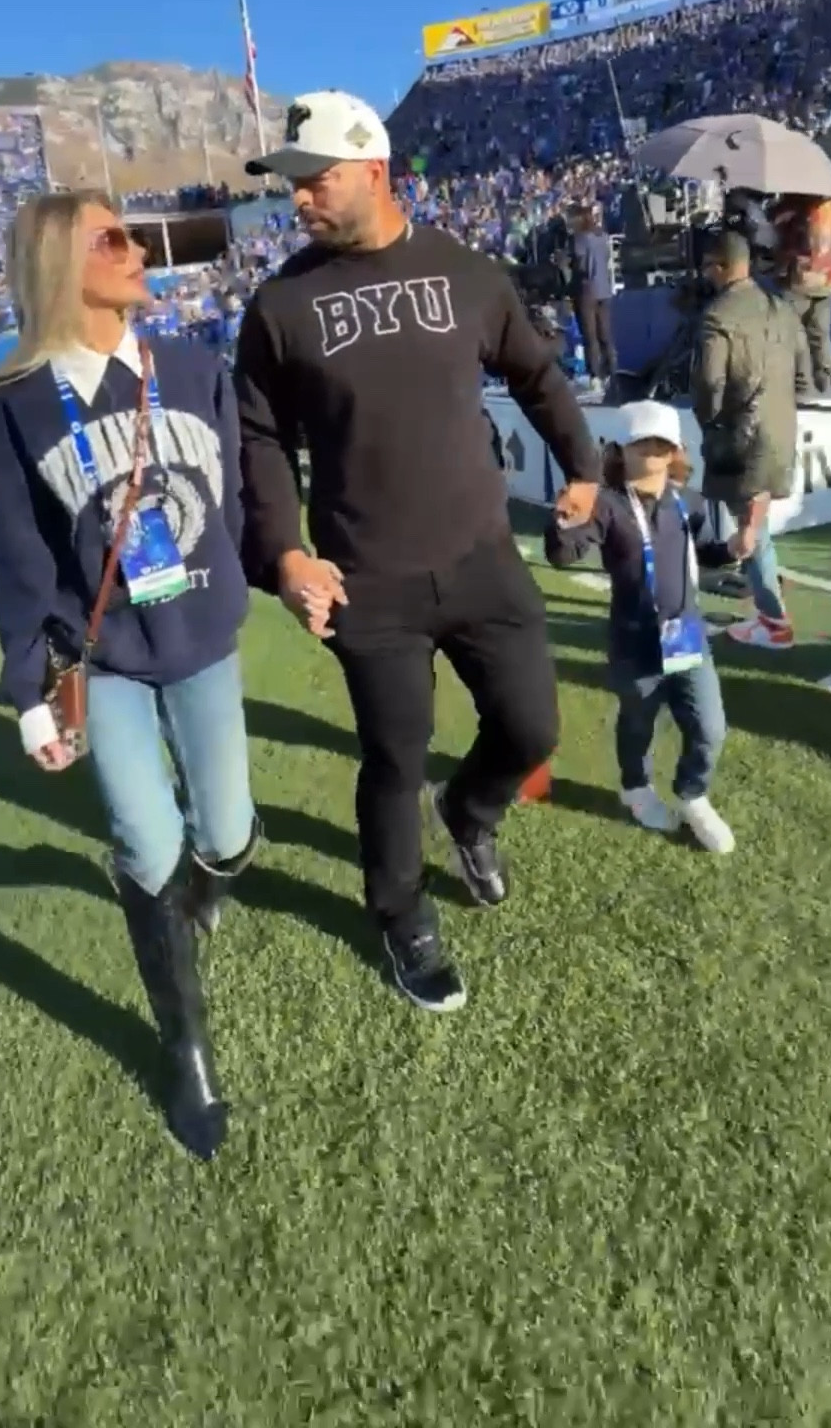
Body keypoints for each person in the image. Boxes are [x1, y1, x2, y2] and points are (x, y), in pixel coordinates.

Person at [235, 91, 601, 1014]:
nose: (300, 202)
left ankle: (472, 814)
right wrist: (286, 554)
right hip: (371, 579)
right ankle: (401, 911)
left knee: (533, 730)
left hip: (482, 560)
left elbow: (537, 374)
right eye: (292, 187)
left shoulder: (467, 273)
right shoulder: (278, 305)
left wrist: (584, 465)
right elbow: (260, 442)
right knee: (395, 756)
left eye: (314, 181)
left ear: (373, 171)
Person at [0, 190, 258, 1163]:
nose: (136, 249)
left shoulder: (191, 366)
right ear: (60, 265)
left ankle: (203, 888)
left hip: (204, 637)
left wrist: (266, 578)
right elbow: (17, 557)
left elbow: (241, 506)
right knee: (146, 838)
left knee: (225, 833)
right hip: (108, 658)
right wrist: (25, 695)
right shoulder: (12, 404)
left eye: (130, 234)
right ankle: (188, 1052)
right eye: (111, 239)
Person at [545, 402, 748, 852]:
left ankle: (692, 794)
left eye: (663, 443)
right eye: (643, 441)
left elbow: (703, 551)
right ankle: (635, 788)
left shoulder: (686, 500)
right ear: (621, 447)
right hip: (634, 642)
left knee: (710, 728)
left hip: (687, 636)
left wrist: (733, 547)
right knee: (637, 724)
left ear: (676, 449)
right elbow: (563, 555)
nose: (654, 450)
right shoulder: (608, 506)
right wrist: (563, 520)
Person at [690, 230, 811, 652]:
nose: (705, 274)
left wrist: (711, 422)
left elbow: (708, 382)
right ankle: (770, 614)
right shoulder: (781, 306)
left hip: (740, 435)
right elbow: (803, 373)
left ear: (721, 266)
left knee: (750, 531)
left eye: (708, 266)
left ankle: (774, 622)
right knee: (755, 524)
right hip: (781, 429)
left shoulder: (717, 314)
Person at [771, 194, 831, 395]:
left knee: (796, 332)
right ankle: (826, 381)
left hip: (802, 276)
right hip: (830, 275)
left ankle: (804, 384)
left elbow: (779, 234)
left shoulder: (793, 206)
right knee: (821, 333)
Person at [569, 205, 617, 394]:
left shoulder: (580, 239)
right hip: (604, 288)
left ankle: (595, 376)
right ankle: (613, 373)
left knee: (590, 336)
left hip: (586, 289)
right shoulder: (602, 236)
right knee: (605, 335)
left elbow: (580, 266)